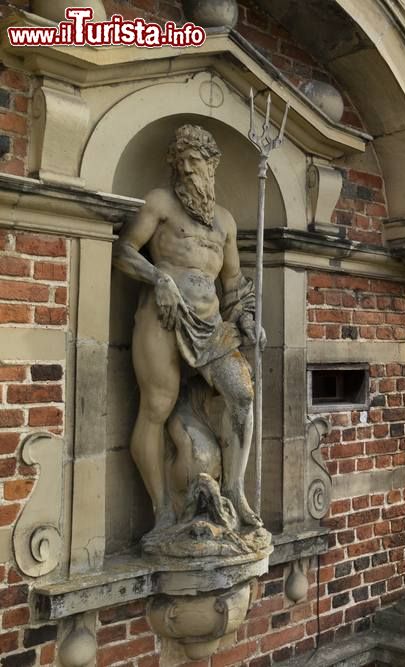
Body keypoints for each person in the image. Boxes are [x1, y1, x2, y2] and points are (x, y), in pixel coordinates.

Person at [112, 124, 263, 543]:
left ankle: (233, 486)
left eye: (193, 162)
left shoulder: (226, 223)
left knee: (242, 394)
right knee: (156, 406)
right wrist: (157, 277)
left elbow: (233, 285)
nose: (186, 170)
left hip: (212, 326)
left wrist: (247, 318)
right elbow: (123, 250)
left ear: (212, 165)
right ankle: (162, 514)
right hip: (163, 319)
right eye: (179, 163)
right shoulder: (160, 203)